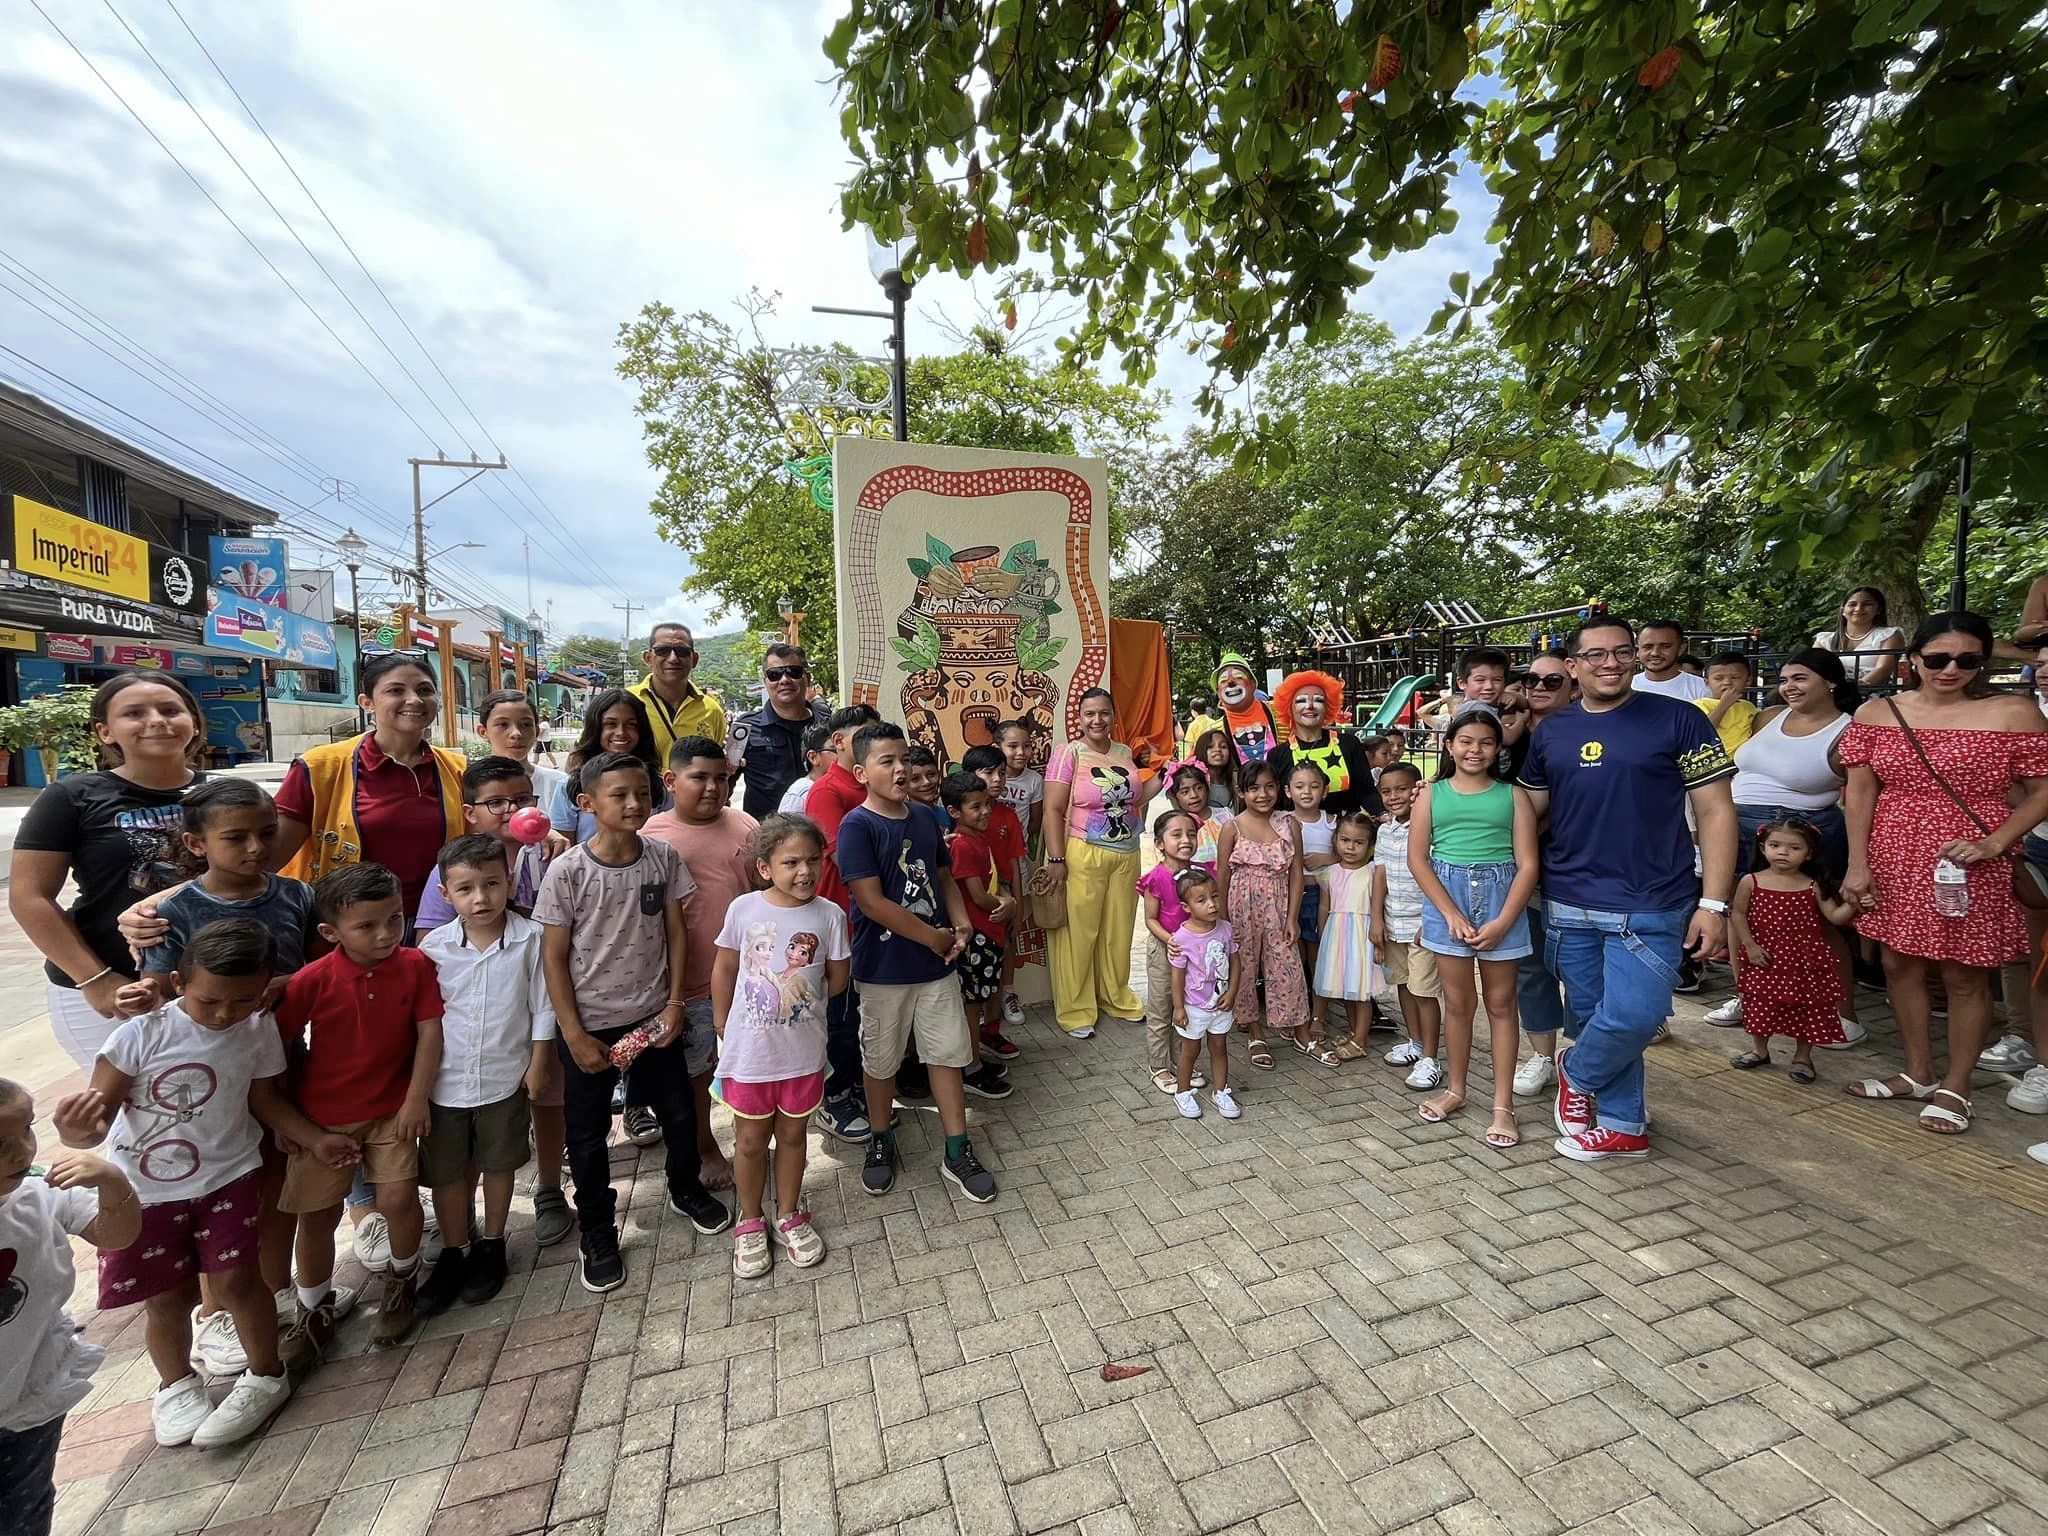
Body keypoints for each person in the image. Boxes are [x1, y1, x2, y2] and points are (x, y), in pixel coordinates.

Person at [53, 921, 333, 1446]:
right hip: (145, 1192)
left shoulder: (258, 1029)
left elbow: (266, 1099)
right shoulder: (139, 1034)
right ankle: (176, 1382)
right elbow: (94, 1123)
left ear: (266, 987)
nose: (226, 1014)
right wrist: (72, 1124)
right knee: (166, 1297)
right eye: (210, 1002)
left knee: (238, 1283)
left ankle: (267, 1373)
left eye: (243, 1000)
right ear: (179, 982)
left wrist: (312, 1139)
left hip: (229, 1178)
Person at [1518, 616, 1738, 1162]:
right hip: (1568, 900)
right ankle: (1622, 1124)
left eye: (1621, 652)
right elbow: (1528, 811)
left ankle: (1578, 1070)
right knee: (1593, 1016)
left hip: (1653, 901)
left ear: (1636, 658)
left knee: (1638, 1016)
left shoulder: (1679, 719)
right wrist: (1450, 799)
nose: (1610, 662)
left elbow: (1715, 811)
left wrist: (1714, 902)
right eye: (1594, 655)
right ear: (1573, 667)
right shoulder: (1553, 731)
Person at [1838, 612, 2048, 1134]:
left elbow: (2044, 790)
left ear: (1982, 663)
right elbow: (1860, 791)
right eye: (1937, 658)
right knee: (1898, 964)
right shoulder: (1876, 712)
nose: (1950, 668)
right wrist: (1857, 863)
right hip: (1892, 851)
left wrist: (1995, 842)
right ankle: (1918, 1072)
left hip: (1971, 860)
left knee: (1963, 973)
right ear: (1913, 660)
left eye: (1967, 659)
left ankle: (1958, 1085)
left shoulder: (2013, 713)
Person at [534, 751, 731, 1293]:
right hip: (590, 1027)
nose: (632, 804)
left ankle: (685, 1187)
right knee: (589, 1135)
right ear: (586, 803)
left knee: (679, 1115)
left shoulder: (662, 859)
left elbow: (676, 934)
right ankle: (596, 1228)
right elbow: (552, 957)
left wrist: (671, 1006)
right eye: (618, 795)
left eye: (641, 793)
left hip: (653, 1018)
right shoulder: (568, 871)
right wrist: (572, 1033)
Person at [274, 865, 445, 1364]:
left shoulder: (415, 965)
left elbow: (429, 1033)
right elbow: (277, 1046)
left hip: (393, 1108)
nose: (386, 934)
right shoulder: (312, 980)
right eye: (367, 926)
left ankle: (401, 1279)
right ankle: (313, 1309)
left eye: (394, 919)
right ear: (331, 933)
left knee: (397, 1198)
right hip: (324, 1116)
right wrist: (288, 1120)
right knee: (319, 1214)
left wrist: (416, 1098)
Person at [409, 756, 573, 1247]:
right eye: (496, 802)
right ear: (472, 812)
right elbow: (431, 951)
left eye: (522, 800)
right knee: (470, 1125)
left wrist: (558, 857)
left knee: (548, 1098)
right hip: (474, 1028)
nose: (511, 810)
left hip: (541, 1001)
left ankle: (547, 1189)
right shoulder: (456, 866)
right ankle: (462, 1225)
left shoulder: (551, 854)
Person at [10, 672, 207, 1068]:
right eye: (134, 713)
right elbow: (29, 897)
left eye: (171, 710)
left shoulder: (222, 795)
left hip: (214, 981)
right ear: (105, 732)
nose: (156, 720)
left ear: (194, 723)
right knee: (122, 1113)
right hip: (111, 981)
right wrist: (96, 980)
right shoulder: (73, 797)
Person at [836, 723, 997, 1202]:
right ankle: (880, 1140)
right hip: (884, 969)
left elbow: (944, 876)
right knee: (881, 1062)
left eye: (903, 759)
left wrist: (961, 922)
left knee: (947, 1055)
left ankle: (957, 1147)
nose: (901, 769)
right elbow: (870, 901)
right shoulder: (857, 826)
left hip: (937, 965)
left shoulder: (926, 818)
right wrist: (933, 936)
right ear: (863, 772)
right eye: (887, 761)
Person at [414, 836, 555, 1313]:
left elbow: (542, 1006)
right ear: (445, 893)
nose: (481, 898)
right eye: (467, 888)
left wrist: (537, 1064)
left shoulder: (530, 938)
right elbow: (423, 1020)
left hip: (504, 1077)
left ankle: (492, 1242)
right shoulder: (433, 949)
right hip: (445, 1082)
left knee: (499, 1163)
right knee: (448, 1172)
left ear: (509, 882)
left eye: (492, 884)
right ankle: (455, 1249)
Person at [0, 1079, 142, 1536]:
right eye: (0, 1145)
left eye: (27, 1129)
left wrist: (112, 1181)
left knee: (23, 1508)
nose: (22, 1153)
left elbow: (116, 1235)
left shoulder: (41, 1189)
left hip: (26, 1392)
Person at [710, 815, 850, 1279]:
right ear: (765, 867)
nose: (805, 871)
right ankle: (750, 1221)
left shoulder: (831, 916)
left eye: (813, 859)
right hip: (750, 1055)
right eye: (791, 862)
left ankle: (788, 1212)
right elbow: (726, 967)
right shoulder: (744, 910)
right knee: (749, 1141)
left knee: (793, 1136)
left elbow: (837, 977)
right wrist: (720, 1019)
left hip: (802, 1054)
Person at [1702, 648, 1863, 1045]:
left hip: (1802, 832)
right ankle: (1750, 997)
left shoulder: (1849, 729)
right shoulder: (1769, 717)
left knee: (1818, 925)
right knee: (1740, 914)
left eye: (1800, 679)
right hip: (1738, 826)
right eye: (1785, 679)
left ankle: (1842, 1012)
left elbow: (1859, 794)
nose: (1789, 687)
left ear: (1830, 683)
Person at [1410, 709, 1538, 1149]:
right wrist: (1449, 913)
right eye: (1465, 741)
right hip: (1448, 901)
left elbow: (1528, 865)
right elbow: (1418, 860)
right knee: (1458, 1004)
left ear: (1497, 748)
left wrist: (1503, 920)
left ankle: (1503, 1105)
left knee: (1502, 1004)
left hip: (1502, 899)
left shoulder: (1513, 796)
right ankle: (1457, 1090)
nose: (1475, 750)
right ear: (1449, 746)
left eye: (1485, 742)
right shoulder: (1431, 795)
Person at [275, 652, 469, 931]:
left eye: (425, 690)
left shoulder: (457, 769)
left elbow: (490, 832)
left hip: (438, 926)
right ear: (367, 703)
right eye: (395, 690)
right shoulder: (319, 767)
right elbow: (270, 856)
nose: (414, 699)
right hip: (349, 931)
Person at [642, 737, 759, 1192]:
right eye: (700, 778)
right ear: (671, 780)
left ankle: (750, 1135)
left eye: (721, 778)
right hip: (683, 984)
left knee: (743, 1062)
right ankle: (704, 1145)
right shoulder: (651, 835)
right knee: (696, 1072)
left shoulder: (744, 825)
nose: (713, 788)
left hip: (744, 977)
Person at [1041, 689, 1158, 1038]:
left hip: (1127, 853)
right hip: (1082, 852)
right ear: (1079, 717)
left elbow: (1136, 797)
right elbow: (1052, 809)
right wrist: (1057, 858)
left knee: (1118, 932)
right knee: (1079, 934)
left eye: (1104, 713)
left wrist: (1167, 773)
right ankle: (1076, 1010)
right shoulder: (1068, 753)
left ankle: (1116, 996)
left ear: (1113, 716)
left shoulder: (1123, 752)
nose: (1097, 720)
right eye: (1090, 714)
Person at [804, 704, 885, 1144]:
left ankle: (856, 1088)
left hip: (873, 924)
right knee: (837, 1016)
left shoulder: (873, 786)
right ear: (838, 742)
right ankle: (832, 1099)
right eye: (862, 736)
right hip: (839, 926)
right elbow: (845, 859)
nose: (873, 746)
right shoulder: (827, 793)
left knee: (861, 1016)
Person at [1729, 818, 1859, 1081]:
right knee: (1759, 1004)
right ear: (1763, 848)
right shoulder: (1750, 881)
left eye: (1794, 847)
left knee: (1807, 1008)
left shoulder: (1812, 886)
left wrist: (1855, 902)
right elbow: (1738, 914)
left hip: (1804, 962)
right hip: (1764, 958)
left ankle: (1802, 1057)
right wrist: (1750, 945)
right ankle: (1760, 1051)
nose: (1783, 852)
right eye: (1775, 845)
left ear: (1809, 853)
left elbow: (1835, 916)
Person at [1506, 649, 1576, 1095]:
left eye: (1553, 681)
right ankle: (1542, 1055)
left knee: (1583, 969)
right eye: (1532, 681)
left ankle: (1586, 1055)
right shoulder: (1505, 740)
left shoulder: (1584, 733)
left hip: (1576, 869)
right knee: (1532, 968)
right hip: (1519, 872)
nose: (1539, 689)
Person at [1215, 759, 1308, 1066]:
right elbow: (1222, 877)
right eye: (1254, 788)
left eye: (1269, 787)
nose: (1262, 794)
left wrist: (1292, 917)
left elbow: (1297, 873)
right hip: (1241, 907)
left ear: (1279, 790)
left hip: (1279, 906)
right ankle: (1255, 1031)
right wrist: (1223, 920)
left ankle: (1299, 1030)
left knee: (1288, 965)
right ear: (1241, 792)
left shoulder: (1289, 824)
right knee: (1244, 969)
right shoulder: (1232, 827)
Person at [941, 773, 1017, 1101]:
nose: (986, 811)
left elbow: (992, 882)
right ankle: (970, 1068)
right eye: (976, 807)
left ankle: (974, 1058)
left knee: (978, 1002)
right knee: (972, 1004)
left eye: (987, 804)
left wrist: (1006, 899)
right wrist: (1006, 904)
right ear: (954, 811)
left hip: (989, 933)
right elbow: (977, 895)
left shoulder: (978, 839)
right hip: (977, 935)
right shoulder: (960, 844)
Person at [1374, 764, 1444, 1085]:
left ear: (1416, 788)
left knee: (1424, 991)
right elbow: (1380, 875)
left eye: (1401, 789)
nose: (1393, 797)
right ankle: (1414, 1043)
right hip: (1393, 924)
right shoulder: (1385, 830)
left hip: (1422, 927)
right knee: (1403, 984)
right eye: (1386, 791)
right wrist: (1377, 919)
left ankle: (1431, 1057)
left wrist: (1431, 919)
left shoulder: (1430, 827)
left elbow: (1438, 876)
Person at [961, 745, 1030, 1060]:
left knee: (998, 967)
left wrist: (1017, 902)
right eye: (988, 772)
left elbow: (1015, 862)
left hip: (1003, 905)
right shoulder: (958, 817)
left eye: (1001, 772)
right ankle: (969, 1046)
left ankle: (991, 1032)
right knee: (972, 980)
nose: (997, 778)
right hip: (972, 908)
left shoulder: (1007, 814)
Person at [1138, 808, 1210, 1095]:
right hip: (1165, 950)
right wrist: (1170, 941)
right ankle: (1159, 1066)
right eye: (1176, 834)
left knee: (1188, 1007)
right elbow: (1150, 919)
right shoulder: (1155, 877)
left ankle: (1184, 1063)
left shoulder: (1200, 874)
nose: (1185, 840)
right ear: (1159, 843)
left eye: (1191, 834)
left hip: (1193, 953)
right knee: (1161, 1008)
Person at [548, 689, 669, 847]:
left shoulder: (657, 786)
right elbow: (564, 848)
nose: (621, 732)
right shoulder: (569, 786)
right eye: (610, 724)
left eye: (631, 725)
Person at [726, 642, 831, 819]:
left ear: (808, 678)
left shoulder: (827, 726)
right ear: (765, 682)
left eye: (793, 672)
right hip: (767, 838)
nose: (784, 680)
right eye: (774, 675)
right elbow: (724, 782)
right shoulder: (744, 728)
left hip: (822, 834)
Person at [1170, 868, 1242, 1120]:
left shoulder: (1225, 929)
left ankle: (1221, 1091)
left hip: (1221, 1005)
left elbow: (1236, 962)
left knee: (1219, 1047)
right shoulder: (1181, 938)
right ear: (1186, 906)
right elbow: (1177, 976)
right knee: (1190, 1050)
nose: (1211, 904)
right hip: (1194, 1007)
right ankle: (1182, 1091)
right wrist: (1178, 1007)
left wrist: (1232, 992)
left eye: (1214, 896)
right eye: (1202, 900)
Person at [1267, 671, 1386, 818]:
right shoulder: (1277, 755)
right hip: (1299, 836)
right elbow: (1276, 804)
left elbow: (1366, 791)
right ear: (1289, 708)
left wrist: (1382, 814)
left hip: (1345, 836)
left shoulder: (1349, 745)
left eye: (1318, 700)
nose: (1310, 706)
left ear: (1328, 706)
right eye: (1301, 701)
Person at [1316, 811, 1382, 1062]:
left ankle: (1361, 1040)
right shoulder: (1329, 872)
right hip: (1337, 935)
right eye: (1345, 840)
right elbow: (1325, 907)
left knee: (1361, 990)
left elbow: (1378, 907)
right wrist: (1324, 938)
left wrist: (1378, 940)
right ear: (1336, 840)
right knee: (1345, 989)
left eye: (1359, 842)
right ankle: (1354, 1030)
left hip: (1361, 936)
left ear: (1370, 845)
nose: (1351, 847)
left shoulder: (1373, 872)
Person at [1287, 762, 1340, 1055]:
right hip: (1292, 898)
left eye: (1314, 785)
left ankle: (1319, 1014)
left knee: (1318, 959)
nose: (1307, 792)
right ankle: (1295, 1013)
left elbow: (1351, 854)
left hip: (1324, 898)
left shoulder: (1332, 821)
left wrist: (1326, 858)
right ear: (1288, 791)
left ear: (1325, 790)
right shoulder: (1282, 821)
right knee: (1295, 959)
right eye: (1299, 786)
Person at [629, 622, 728, 768]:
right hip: (641, 790)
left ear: (694, 659)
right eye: (663, 650)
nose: (673, 658)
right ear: (648, 658)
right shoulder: (627, 702)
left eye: (682, 651)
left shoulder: (712, 710)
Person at [476, 689, 568, 825]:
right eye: (503, 724)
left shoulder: (560, 784)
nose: (516, 733)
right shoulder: (468, 784)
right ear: (483, 732)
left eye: (526, 724)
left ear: (536, 731)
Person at [1814, 586, 1904, 691]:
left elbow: (1883, 669)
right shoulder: (1824, 640)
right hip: (1828, 695)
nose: (1858, 609)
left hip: (1872, 695)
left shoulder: (1889, 635)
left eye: (1867, 604)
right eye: (1852, 604)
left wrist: (1854, 692)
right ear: (1843, 610)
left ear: (1878, 610)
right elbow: (1813, 670)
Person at [1213, 653, 1281, 764]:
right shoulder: (1214, 731)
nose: (1230, 682)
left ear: (1253, 684)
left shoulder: (1281, 712)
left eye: (1239, 677)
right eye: (1223, 680)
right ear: (1218, 692)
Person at [1698, 652, 1762, 756]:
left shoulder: (1748, 706)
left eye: (1735, 677)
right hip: (1716, 761)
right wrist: (1724, 705)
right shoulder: (1701, 705)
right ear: (1707, 683)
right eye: (1718, 678)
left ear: (1748, 681)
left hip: (1744, 760)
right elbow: (1703, 731)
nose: (1727, 682)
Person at [1632, 620, 1713, 701]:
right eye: (1648, 647)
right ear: (1638, 650)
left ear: (1681, 649)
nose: (1655, 653)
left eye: (1665, 646)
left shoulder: (1703, 688)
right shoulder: (1626, 686)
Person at [996, 720, 1047, 844]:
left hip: (1017, 849)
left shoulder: (1035, 780)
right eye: (1013, 746)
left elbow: (1035, 822)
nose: (1021, 753)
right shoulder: (988, 778)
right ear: (997, 749)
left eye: (1027, 746)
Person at [779, 724, 832, 815]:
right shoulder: (802, 791)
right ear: (813, 757)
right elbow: (786, 828)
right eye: (835, 750)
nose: (842, 755)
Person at [1193, 729, 1239, 813]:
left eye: (1223, 746)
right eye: (1210, 746)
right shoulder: (1192, 780)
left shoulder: (1236, 780)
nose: (1217, 750)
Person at [1180, 694, 1223, 759]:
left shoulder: (1193, 725)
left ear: (1193, 711)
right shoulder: (1213, 722)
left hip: (1199, 754)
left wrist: (1187, 759)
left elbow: (1190, 745)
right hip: (1212, 753)